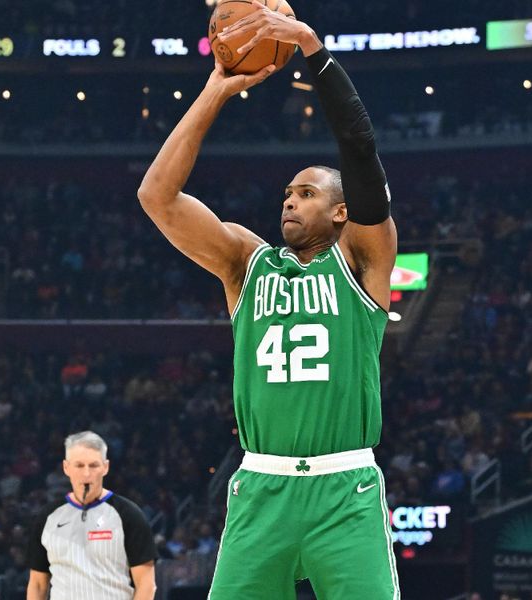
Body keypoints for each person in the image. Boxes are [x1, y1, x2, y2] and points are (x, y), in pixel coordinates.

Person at [137, 2, 399, 598]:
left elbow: (359, 148)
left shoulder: (362, 260)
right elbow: (156, 195)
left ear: (340, 211)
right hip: (261, 487)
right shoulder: (246, 264)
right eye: (286, 193)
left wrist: (313, 48)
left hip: (346, 489)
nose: (289, 201)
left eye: (305, 193)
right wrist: (215, 91)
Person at [26, 431, 157, 600]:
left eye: (93, 465)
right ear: (66, 467)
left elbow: (146, 585)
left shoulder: (129, 515)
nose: (86, 473)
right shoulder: (47, 517)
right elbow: (37, 584)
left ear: (105, 467)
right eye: (79, 465)